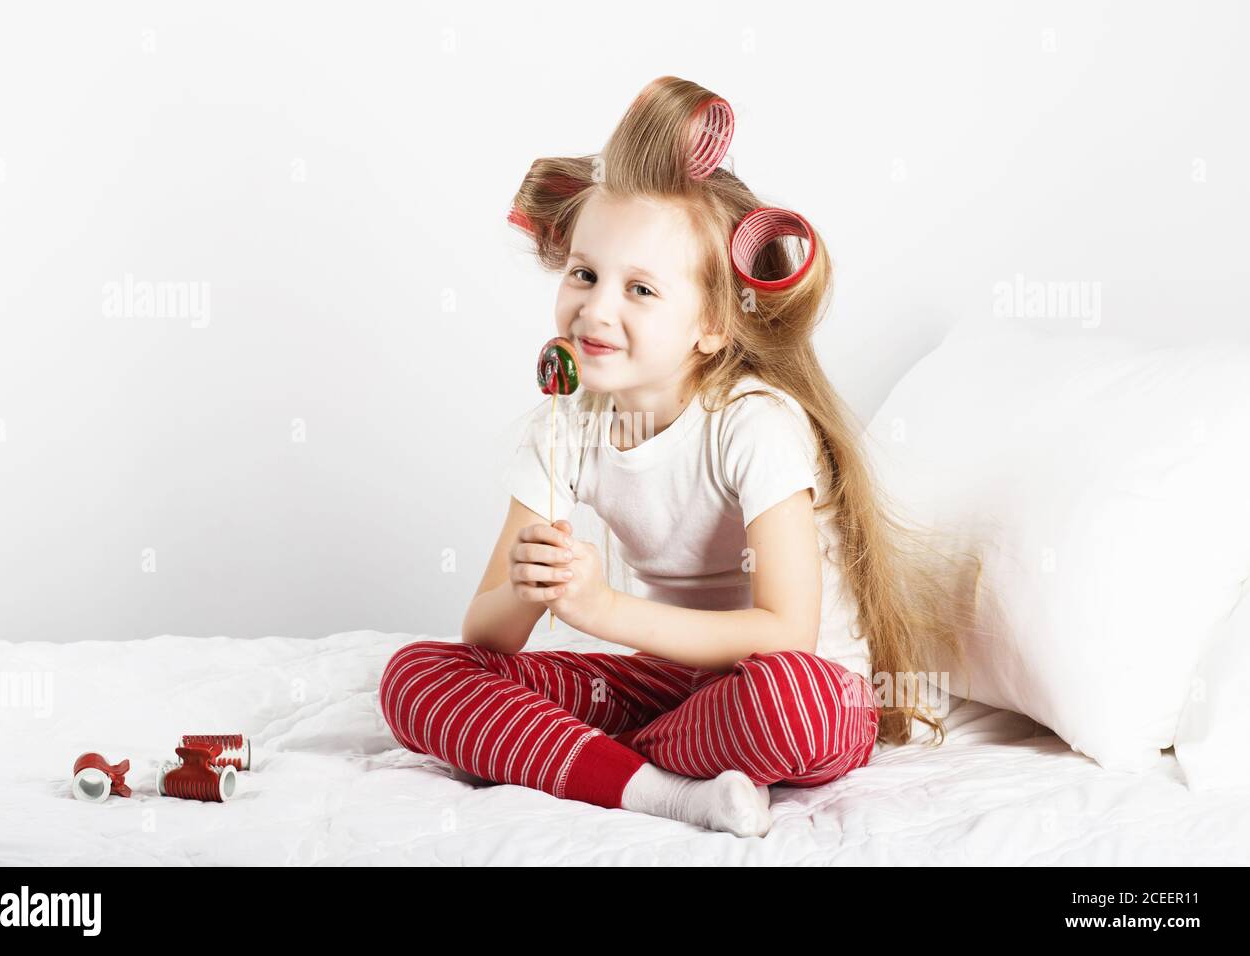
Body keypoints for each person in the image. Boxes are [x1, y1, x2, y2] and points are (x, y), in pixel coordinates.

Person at [380, 76, 977, 838]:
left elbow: (786, 633)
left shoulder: (753, 426)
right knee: (418, 678)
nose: (596, 308)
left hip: (785, 687)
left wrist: (602, 610)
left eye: (641, 290)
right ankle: (663, 790)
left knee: (795, 708)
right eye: (585, 274)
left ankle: (590, 759)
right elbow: (487, 636)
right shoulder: (564, 428)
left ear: (713, 327)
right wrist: (533, 588)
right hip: (672, 686)